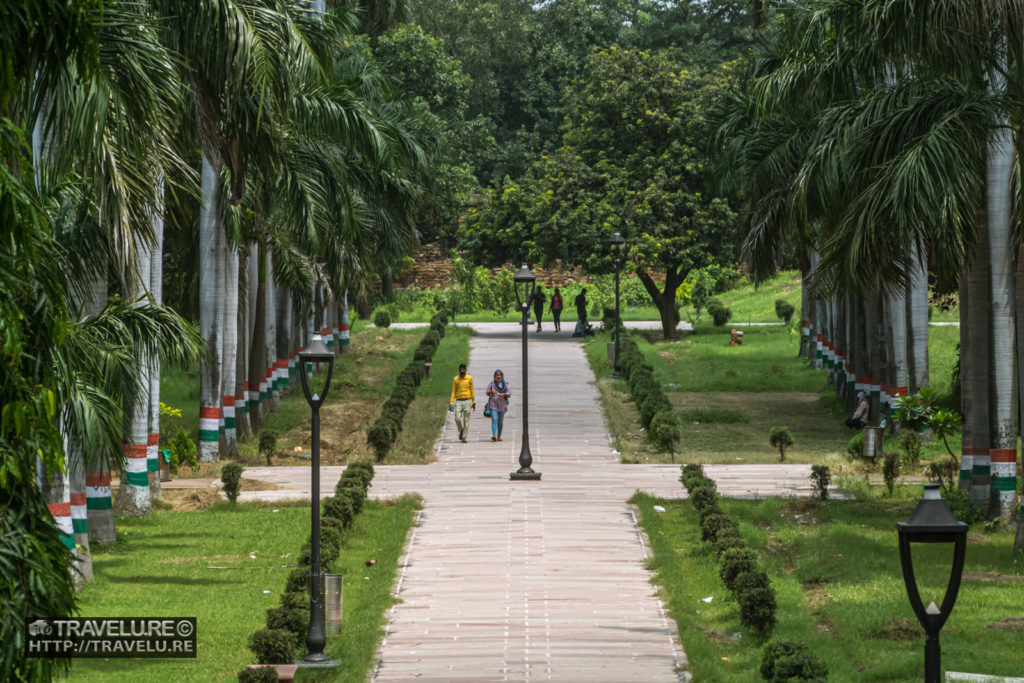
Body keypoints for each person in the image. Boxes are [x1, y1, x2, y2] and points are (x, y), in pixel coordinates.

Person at [449, 363, 476, 442]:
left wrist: (474, 402)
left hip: (468, 400)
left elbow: (472, 390)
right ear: (459, 370)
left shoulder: (469, 378)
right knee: (457, 418)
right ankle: (461, 430)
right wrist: (451, 402)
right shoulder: (456, 379)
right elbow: (453, 391)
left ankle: (464, 437)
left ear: (466, 370)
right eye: (461, 369)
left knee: (466, 420)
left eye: (463, 369)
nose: (462, 371)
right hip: (458, 401)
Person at [485, 369, 511, 441]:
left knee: (500, 421)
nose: (498, 377)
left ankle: (499, 436)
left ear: (502, 376)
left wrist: (504, 394)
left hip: (502, 405)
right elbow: (487, 392)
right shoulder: (491, 384)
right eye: (497, 375)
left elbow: (509, 393)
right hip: (493, 404)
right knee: (494, 419)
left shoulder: (505, 384)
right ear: (494, 376)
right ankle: (494, 435)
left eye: (500, 375)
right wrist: (491, 391)